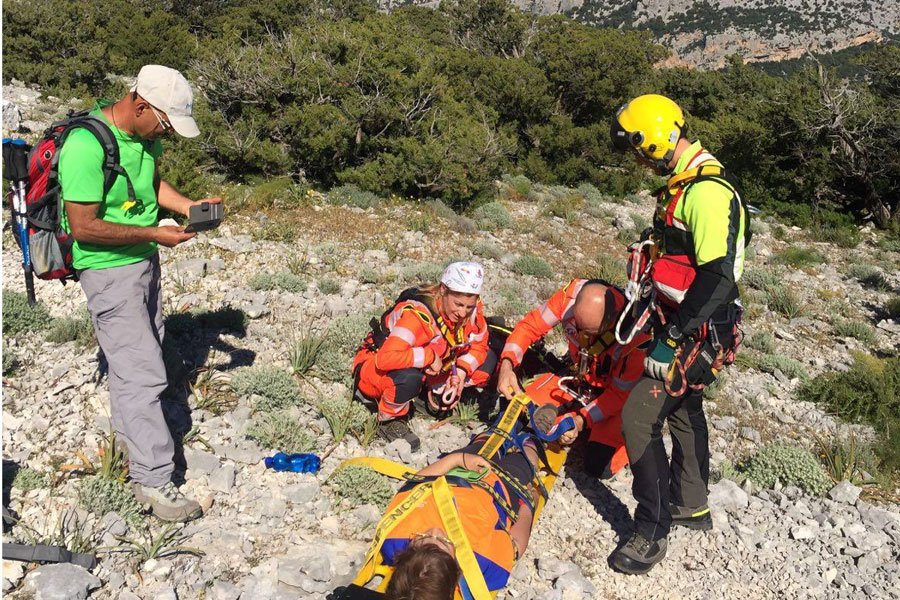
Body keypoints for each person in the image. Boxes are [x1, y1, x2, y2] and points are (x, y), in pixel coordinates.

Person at [59, 65, 220, 522]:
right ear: (140, 104)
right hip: (109, 272)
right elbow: (85, 226)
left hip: (143, 261)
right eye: (165, 123)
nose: (164, 133)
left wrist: (187, 207)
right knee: (143, 372)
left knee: (138, 361)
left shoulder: (145, 138)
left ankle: (130, 443)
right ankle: (152, 482)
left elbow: (147, 183)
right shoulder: (86, 146)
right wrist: (153, 232)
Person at [609, 94, 749, 573]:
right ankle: (691, 503)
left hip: (696, 327)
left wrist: (671, 340)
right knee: (684, 407)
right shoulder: (683, 185)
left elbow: (718, 277)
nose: (636, 157)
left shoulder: (708, 192)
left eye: (637, 148)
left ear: (655, 139)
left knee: (639, 416)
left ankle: (650, 529)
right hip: (680, 317)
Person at [496, 278, 648, 477]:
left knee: (599, 465)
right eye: (578, 327)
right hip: (579, 381)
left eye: (591, 332)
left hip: (616, 398)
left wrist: (582, 420)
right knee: (518, 411)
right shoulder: (569, 297)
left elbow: (619, 395)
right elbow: (529, 327)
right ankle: (570, 422)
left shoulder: (637, 335)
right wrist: (507, 365)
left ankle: (598, 431)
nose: (583, 336)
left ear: (611, 320)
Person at [352, 262, 495, 451]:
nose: (462, 313)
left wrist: (459, 373)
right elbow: (385, 359)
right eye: (458, 304)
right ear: (443, 290)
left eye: (469, 306)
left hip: (431, 365)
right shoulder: (418, 316)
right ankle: (388, 420)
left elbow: (479, 345)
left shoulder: (472, 314)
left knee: (487, 363)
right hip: (375, 368)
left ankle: (426, 398)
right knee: (408, 378)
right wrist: (428, 356)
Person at [381, 433, 540, 599]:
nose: (435, 531)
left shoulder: (394, 538)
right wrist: (528, 506)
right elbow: (516, 547)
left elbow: (413, 484)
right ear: (457, 571)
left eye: (422, 538)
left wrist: (456, 460)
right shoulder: (481, 562)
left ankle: (491, 435)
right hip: (502, 488)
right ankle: (532, 438)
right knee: (525, 462)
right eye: (444, 542)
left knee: (486, 443)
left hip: (460, 470)